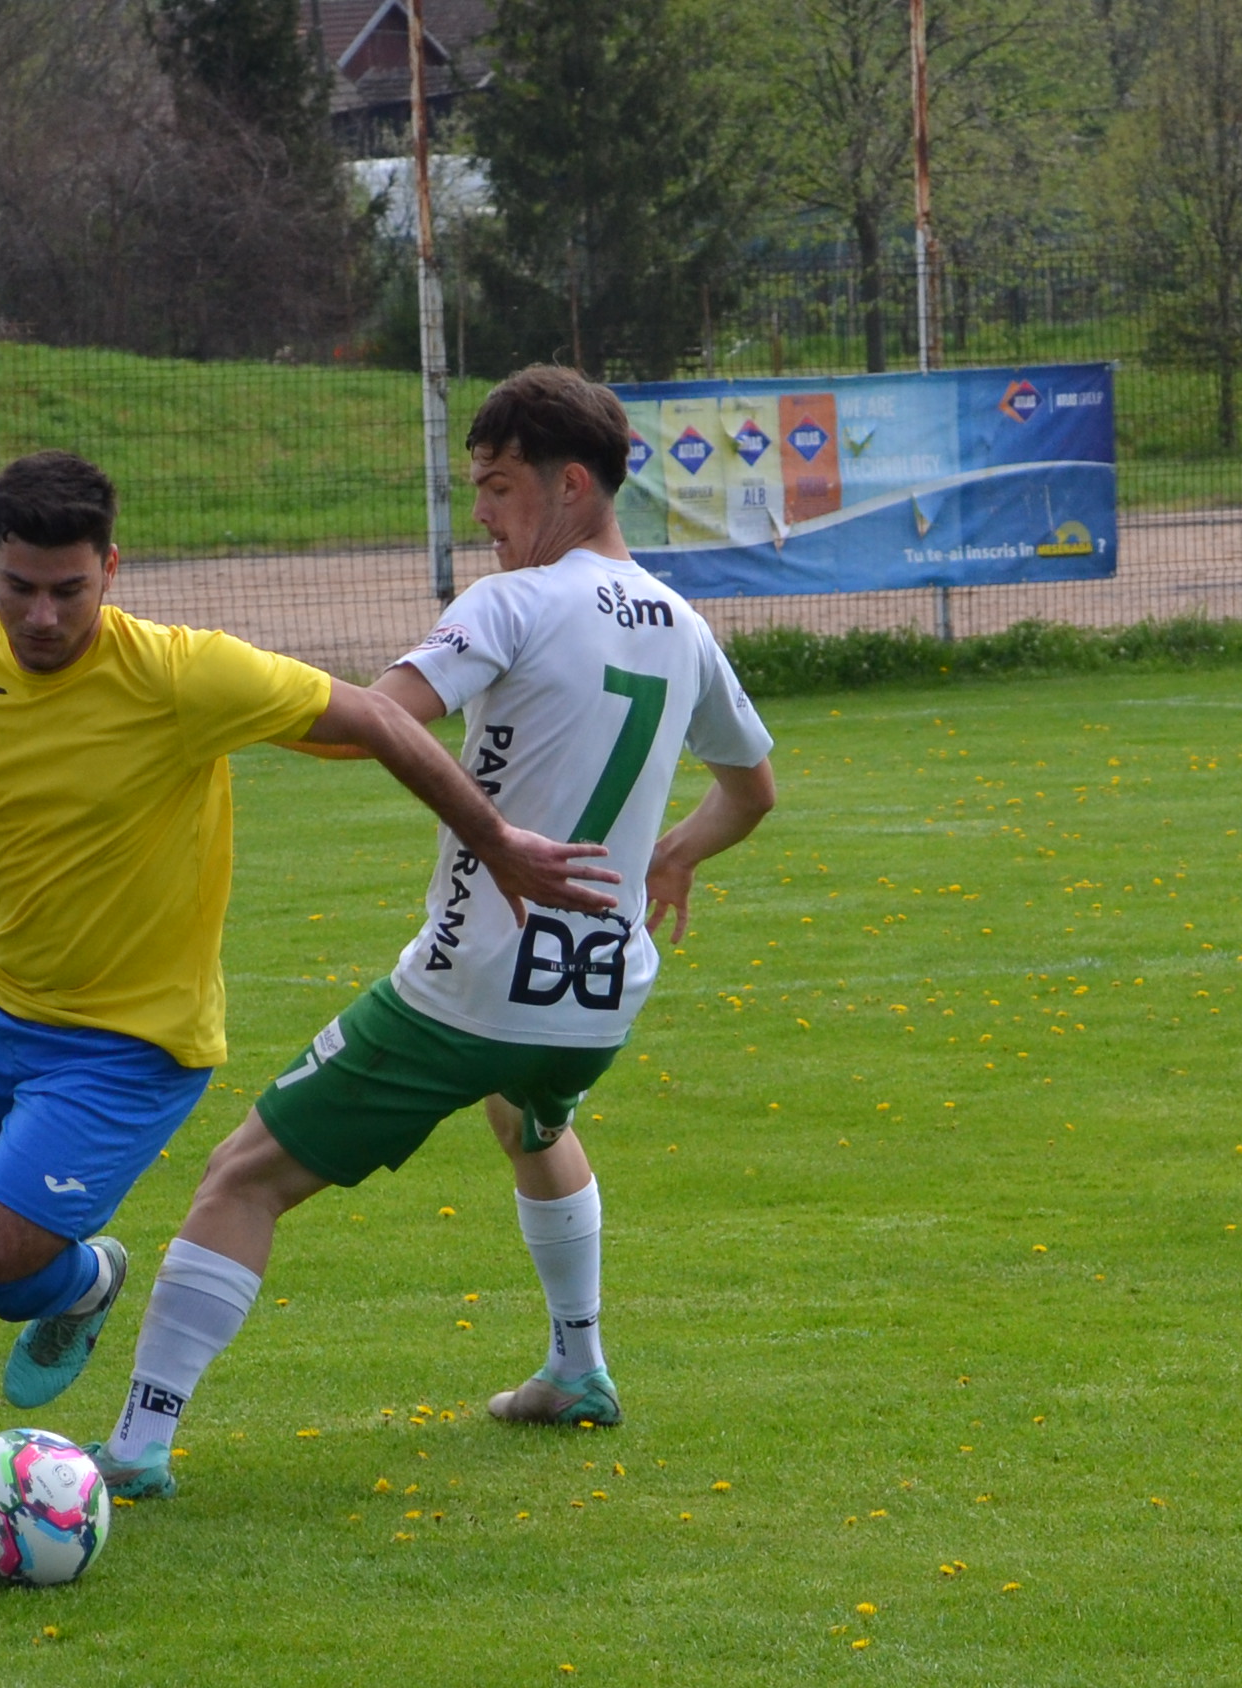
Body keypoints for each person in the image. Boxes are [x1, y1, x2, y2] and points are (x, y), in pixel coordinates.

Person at [0, 449, 614, 1503]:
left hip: (133, 1040)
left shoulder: (181, 673)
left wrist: (493, 839)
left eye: (68, 590)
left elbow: (378, 719)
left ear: (110, 570)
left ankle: (84, 1280)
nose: (41, 616)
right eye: (19, 587)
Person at [91, 367, 779, 1501]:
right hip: (596, 999)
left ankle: (134, 1444)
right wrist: (674, 854)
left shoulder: (512, 603)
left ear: (569, 484)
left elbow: (363, 723)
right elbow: (751, 791)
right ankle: (576, 1365)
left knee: (241, 1175)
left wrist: (214, 700)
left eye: (499, 487)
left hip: (473, 986)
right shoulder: (683, 624)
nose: (483, 514)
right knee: (527, 1113)